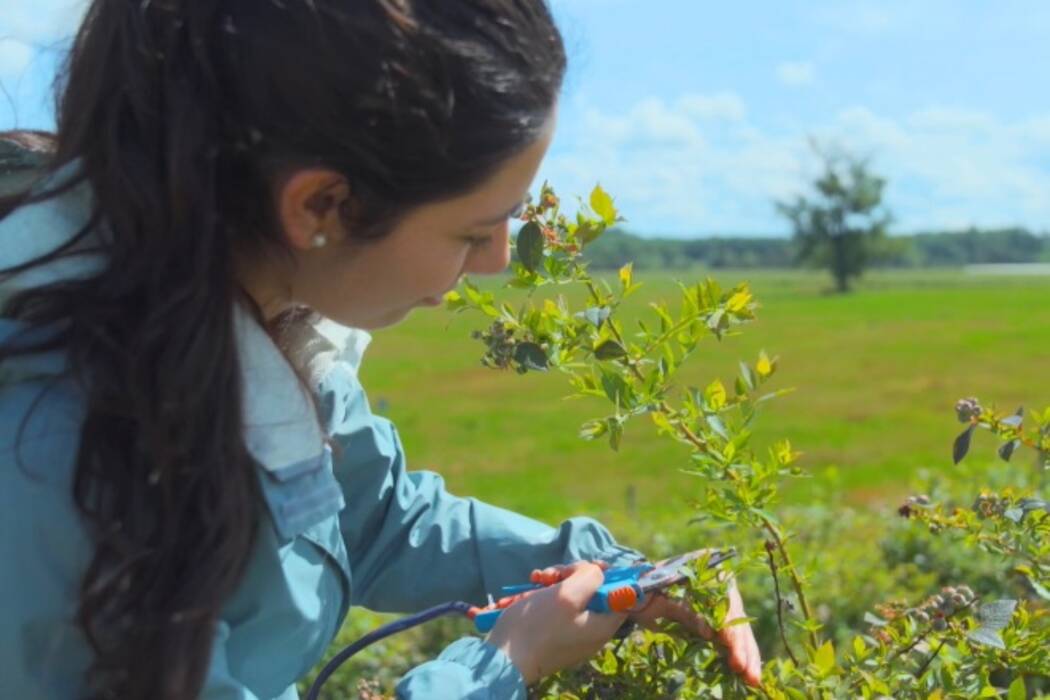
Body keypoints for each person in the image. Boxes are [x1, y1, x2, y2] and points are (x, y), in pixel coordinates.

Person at [0, 1, 761, 698]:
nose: (498, 259)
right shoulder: (54, 451)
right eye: (472, 230)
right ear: (321, 206)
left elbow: (377, 520)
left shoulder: (267, 327)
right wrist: (502, 666)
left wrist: (620, 569)